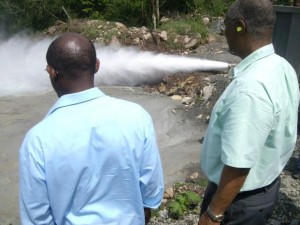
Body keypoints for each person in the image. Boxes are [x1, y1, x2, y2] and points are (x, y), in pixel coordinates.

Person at [19, 32, 164, 225]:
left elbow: (36, 218)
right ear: (97, 65)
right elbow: (151, 194)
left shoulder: (37, 140)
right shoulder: (137, 116)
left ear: (51, 72)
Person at [198, 0, 300, 225]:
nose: (224, 31)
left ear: (239, 26)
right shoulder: (282, 66)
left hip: (237, 202)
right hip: (263, 188)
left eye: (226, 25)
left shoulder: (251, 87)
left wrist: (214, 213)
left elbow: (238, 164)